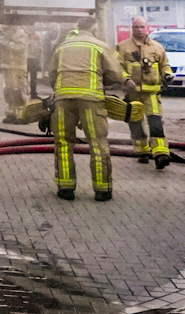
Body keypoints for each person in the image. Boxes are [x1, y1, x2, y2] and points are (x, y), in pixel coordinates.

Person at [48, 20, 128, 201]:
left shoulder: (63, 46)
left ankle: (65, 188)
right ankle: (102, 190)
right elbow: (115, 74)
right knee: (97, 143)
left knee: (63, 142)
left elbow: (52, 75)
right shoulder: (99, 45)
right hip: (91, 100)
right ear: (93, 29)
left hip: (63, 99)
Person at [115, 17, 171, 169]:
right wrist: (126, 80)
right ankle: (142, 151)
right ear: (131, 28)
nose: (139, 30)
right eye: (136, 27)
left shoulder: (157, 47)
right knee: (135, 123)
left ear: (147, 27)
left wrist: (167, 74)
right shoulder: (123, 47)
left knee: (155, 122)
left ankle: (160, 153)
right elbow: (117, 67)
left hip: (152, 93)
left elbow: (164, 65)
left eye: (141, 27)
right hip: (132, 93)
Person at [0, 21, 33, 122]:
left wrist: (6, 43)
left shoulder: (21, 34)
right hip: (8, 68)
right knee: (9, 91)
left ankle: (22, 115)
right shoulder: (6, 35)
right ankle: (11, 113)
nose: (5, 30)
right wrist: (1, 65)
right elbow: (3, 53)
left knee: (19, 91)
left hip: (18, 68)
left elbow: (19, 48)